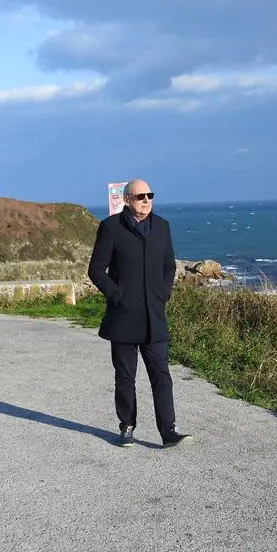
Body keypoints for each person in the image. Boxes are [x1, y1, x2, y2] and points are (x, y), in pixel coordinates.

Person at [88, 179, 192, 448]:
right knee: (125, 377)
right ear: (126, 200)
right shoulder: (111, 228)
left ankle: (168, 431)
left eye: (149, 195)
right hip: (123, 317)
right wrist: (117, 295)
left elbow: (169, 266)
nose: (146, 200)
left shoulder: (162, 227)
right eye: (140, 196)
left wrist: (163, 293)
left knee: (162, 375)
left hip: (154, 317)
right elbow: (96, 270)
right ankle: (127, 427)